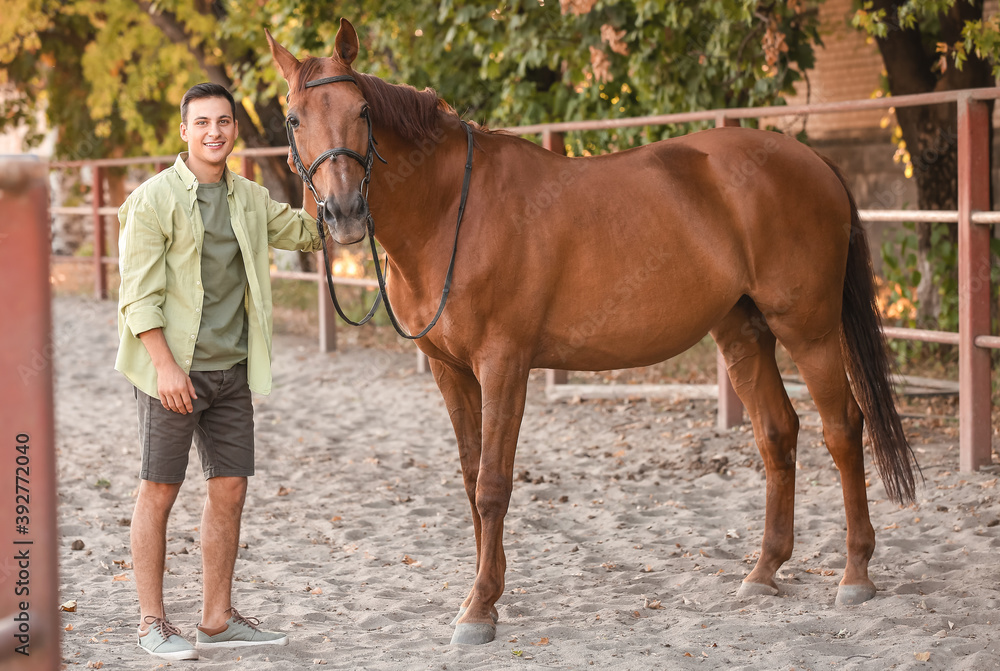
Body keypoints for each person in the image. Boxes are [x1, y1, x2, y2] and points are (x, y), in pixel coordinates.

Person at [115, 82, 322, 661]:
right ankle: (152, 623)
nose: (214, 132)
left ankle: (216, 618)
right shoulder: (152, 200)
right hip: (171, 373)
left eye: (224, 122)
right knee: (159, 489)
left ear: (234, 129)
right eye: (202, 122)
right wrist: (165, 368)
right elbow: (137, 299)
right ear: (184, 131)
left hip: (232, 373)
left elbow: (310, 233)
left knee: (229, 490)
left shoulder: (250, 199)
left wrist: (308, 167)